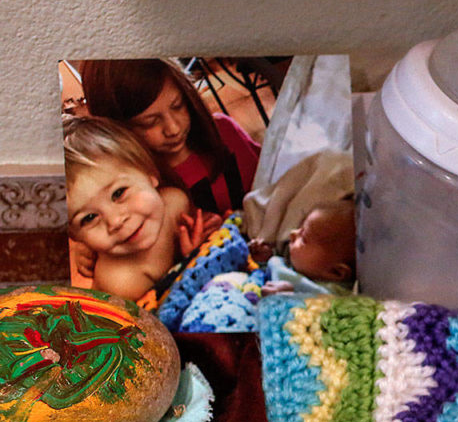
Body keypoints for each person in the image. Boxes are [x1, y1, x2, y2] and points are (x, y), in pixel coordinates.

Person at [79, 59, 261, 216]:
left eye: (178, 105)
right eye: (149, 122)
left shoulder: (224, 130)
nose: (173, 128)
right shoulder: (129, 189)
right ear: (117, 130)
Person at [64, 117, 219, 301]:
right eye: (89, 218)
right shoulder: (120, 283)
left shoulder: (176, 202)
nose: (115, 221)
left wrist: (207, 232)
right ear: (76, 237)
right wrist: (192, 264)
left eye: (118, 193)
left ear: (150, 173)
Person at [249, 198, 357, 295]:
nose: (292, 233)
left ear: (336, 273)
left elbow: (320, 309)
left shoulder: (331, 294)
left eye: (303, 238)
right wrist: (264, 257)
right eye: (299, 228)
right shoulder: (297, 264)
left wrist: (291, 296)